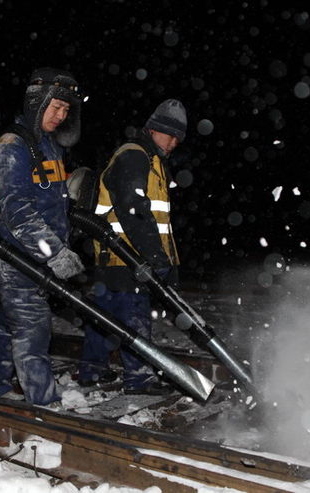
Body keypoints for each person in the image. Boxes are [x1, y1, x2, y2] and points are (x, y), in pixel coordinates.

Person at [0, 67, 85, 406]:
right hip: (13, 257)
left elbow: (52, 200)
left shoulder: (50, 146)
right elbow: (17, 211)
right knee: (33, 327)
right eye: (56, 107)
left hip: (36, 256)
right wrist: (54, 251)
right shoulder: (12, 146)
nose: (61, 115)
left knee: (12, 323)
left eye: (67, 110)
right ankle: (45, 407)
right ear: (37, 104)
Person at [79, 99, 187, 395]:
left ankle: (92, 371)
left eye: (179, 137)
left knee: (105, 317)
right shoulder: (134, 156)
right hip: (127, 257)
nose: (174, 142)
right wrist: (154, 257)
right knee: (135, 318)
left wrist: (170, 264)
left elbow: (160, 222)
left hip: (116, 256)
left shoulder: (153, 163)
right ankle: (138, 379)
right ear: (153, 130)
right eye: (170, 134)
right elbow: (134, 210)